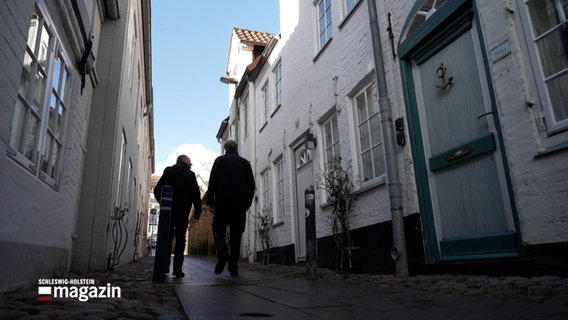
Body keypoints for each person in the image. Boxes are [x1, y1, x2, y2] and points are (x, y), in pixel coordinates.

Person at [206, 140, 255, 276]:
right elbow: (251, 185)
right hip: (239, 205)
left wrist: (210, 202)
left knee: (218, 229)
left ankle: (222, 253)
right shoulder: (244, 163)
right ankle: (233, 267)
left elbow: (213, 181)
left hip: (222, 203)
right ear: (236, 148)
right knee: (236, 236)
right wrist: (248, 203)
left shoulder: (220, 161)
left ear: (225, 149)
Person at [154, 155, 202, 278]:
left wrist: (164, 203)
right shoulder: (190, 174)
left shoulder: (168, 171)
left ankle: (164, 266)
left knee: (167, 238)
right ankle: (177, 268)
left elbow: (157, 189)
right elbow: (196, 194)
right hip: (183, 211)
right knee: (180, 239)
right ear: (185, 161)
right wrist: (197, 211)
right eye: (190, 161)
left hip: (168, 211)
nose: (191, 164)